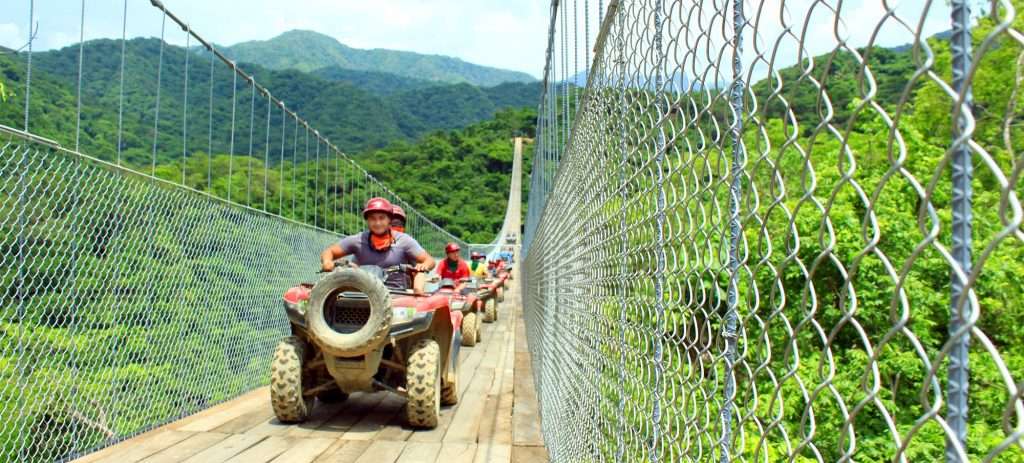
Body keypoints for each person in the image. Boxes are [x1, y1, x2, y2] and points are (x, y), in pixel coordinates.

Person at [320, 197, 435, 294]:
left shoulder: (404, 241)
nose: (377, 223)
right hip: (360, 292)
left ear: (389, 220)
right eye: (372, 219)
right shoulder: (358, 240)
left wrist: (423, 265)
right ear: (367, 221)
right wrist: (327, 262)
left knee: (419, 278)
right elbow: (329, 252)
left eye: (382, 218)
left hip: (397, 294)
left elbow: (430, 260)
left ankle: (418, 300)